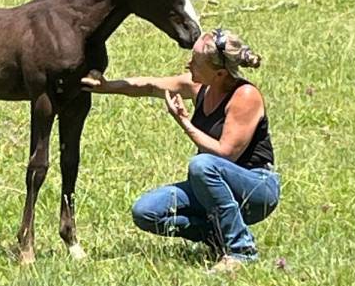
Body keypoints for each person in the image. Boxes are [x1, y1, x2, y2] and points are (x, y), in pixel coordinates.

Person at [82, 29, 279, 272]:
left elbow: (225, 154)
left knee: (202, 164)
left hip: (257, 188)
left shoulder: (245, 96)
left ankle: (241, 249)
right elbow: (151, 86)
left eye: (196, 61)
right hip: (209, 186)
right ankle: (218, 235)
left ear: (219, 72)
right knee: (146, 212)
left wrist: (184, 123)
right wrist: (107, 86)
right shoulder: (200, 87)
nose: (188, 63)